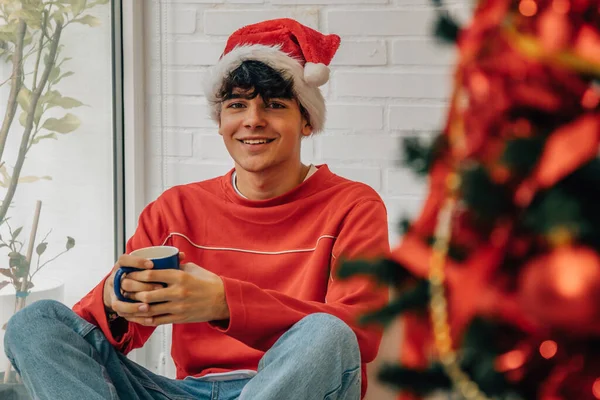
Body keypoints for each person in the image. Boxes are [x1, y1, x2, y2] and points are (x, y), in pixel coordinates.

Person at [4, 18, 389, 400]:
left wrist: (225, 302)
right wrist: (113, 298)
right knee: (34, 323)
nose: (253, 120)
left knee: (327, 332)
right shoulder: (177, 208)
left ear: (307, 121)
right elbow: (94, 336)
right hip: (181, 392)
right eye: (237, 105)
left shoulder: (353, 205)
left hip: (293, 386)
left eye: (274, 105)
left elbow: (359, 336)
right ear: (220, 122)